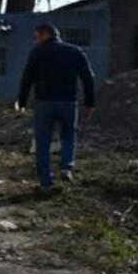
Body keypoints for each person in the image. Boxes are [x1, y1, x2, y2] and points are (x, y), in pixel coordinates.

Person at [15, 24, 95, 192]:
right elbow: (88, 77)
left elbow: (27, 78)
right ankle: (66, 167)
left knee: (43, 142)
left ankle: (46, 182)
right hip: (68, 102)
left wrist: (21, 102)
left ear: (46, 34)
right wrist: (89, 102)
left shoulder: (38, 52)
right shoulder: (75, 51)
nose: (36, 39)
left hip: (44, 103)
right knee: (68, 134)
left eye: (37, 36)